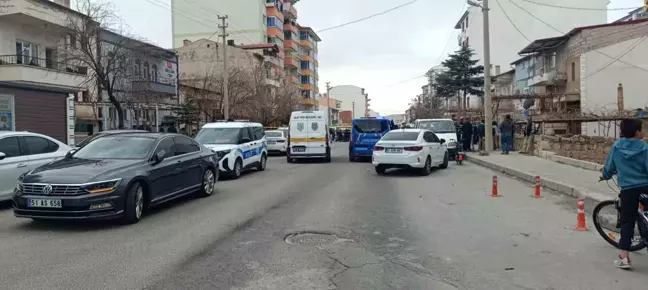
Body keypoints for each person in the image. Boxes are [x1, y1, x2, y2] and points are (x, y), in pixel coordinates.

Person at [601, 119, 648, 269]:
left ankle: (624, 258)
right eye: (642, 129)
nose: (643, 131)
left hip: (628, 190)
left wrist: (606, 175)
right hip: (646, 187)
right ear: (636, 132)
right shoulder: (645, 148)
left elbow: (609, 167)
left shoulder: (616, 147)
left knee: (627, 222)